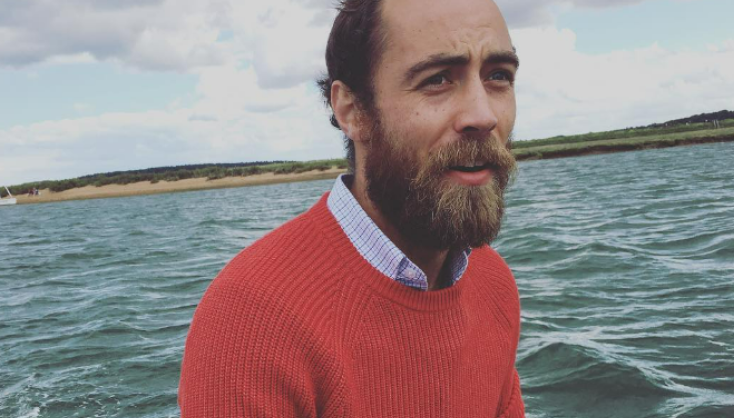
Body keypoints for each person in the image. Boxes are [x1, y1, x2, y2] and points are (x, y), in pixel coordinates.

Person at [179, 0, 524, 416]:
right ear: (352, 111)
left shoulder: (494, 284)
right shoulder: (251, 322)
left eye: (499, 76)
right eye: (437, 80)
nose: (483, 115)